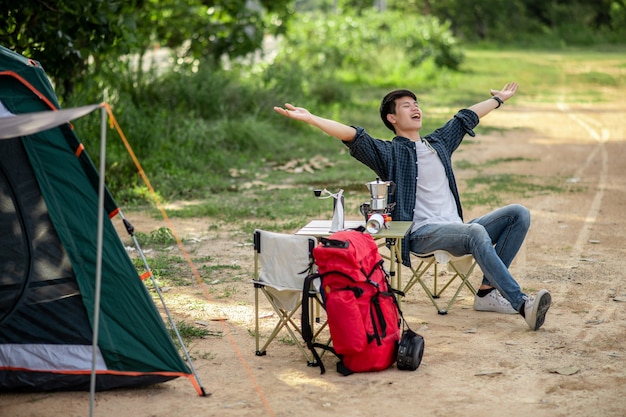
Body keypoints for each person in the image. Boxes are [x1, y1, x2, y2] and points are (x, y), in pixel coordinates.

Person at [274, 82, 552, 330]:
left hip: (457, 229)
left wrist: (499, 99)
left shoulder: (438, 143)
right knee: (476, 233)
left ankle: (488, 293)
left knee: (518, 213)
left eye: (416, 104)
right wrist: (311, 119)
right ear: (392, 118)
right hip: (422, 233)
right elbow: (352, 135)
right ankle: (522, 304)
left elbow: (466, 117)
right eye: (406, 106)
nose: (415, 108)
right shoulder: (389, 152)